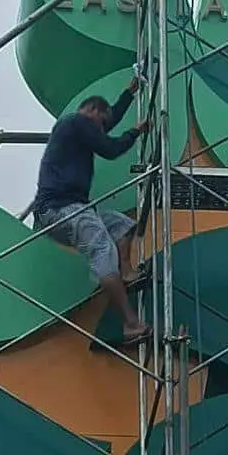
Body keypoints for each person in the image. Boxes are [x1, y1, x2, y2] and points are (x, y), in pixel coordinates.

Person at [32, 75, 151, 345]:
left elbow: (108, 123)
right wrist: (136, 132)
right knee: (102, 249)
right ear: (92, 111)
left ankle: (126, 273)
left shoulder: (79, 128)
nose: (101, 128)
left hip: (67, 211)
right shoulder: (75, 122)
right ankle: (131, 324)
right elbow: (109, 148)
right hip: (61, 208)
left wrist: (128, 94)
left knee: (122, 226)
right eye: (100, 122)